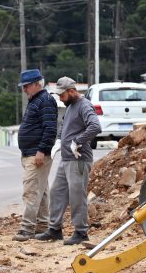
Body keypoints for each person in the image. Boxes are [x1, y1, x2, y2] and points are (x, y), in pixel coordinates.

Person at [35, 76, 101, 245]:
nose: (60, 98)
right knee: (57, 192)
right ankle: (55, 229)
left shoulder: (84, 105)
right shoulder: (70, 106)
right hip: (66, 159)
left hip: (78, 159)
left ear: (71, 91)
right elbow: (64, 127)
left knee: (77, 195)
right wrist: (59, 140)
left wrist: (78, 141)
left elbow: (95, 126)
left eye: (62, 95)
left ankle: (81, 232)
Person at [13, 69, 58, 242]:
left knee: (31, 191)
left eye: (27, 86)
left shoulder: (45, 101)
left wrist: (42, 150)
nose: (24, 89)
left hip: (37, 154)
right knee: (41, 191)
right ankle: (41, 226)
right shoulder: (35, 101)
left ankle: (27, 229)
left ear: (38, 83)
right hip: (31, 153)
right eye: (23, 86)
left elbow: (50, 128)